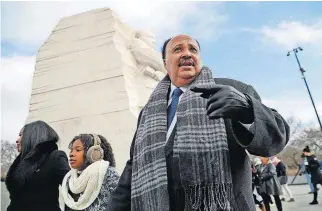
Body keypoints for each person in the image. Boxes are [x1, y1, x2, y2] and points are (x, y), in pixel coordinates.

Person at [108, 34, 290, 211]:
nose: (187, 53)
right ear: (165, 62)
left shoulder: (233, 90)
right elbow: (133, 168)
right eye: (178, 49)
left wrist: (247, 109)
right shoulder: (148, 112)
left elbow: (275, 140)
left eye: (193, 49)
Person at [5, 120, 70, 211]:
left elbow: (72, 191)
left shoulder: (55, 157)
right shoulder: (19, 163)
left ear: (32, 136)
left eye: (21, 135)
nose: (17, 140)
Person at [61, 133, 120, 211]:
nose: (71, 154)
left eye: (78, 150)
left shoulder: (109, 174)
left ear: (94, 153)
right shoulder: (69, 180)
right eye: (71, 150)